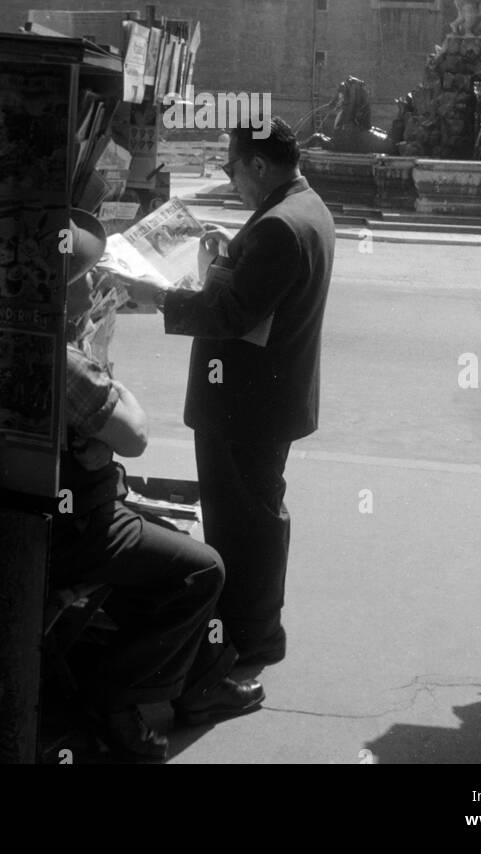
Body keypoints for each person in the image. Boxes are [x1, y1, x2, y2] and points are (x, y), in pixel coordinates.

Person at [48, 209, 263, 763]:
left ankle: (202, 684)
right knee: (202, 569)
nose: (97, 285)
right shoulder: (64, 361)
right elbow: (134, 435)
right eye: (86, 278)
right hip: (78, 526)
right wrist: (105, 374)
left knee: (172, 537)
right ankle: (114, 697)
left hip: (71, 508)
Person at [123, 119, 336, 665]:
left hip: (245, 404)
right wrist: (225, 259)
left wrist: (160, 297)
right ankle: (254, 630)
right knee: (256, 514)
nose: (230, 178)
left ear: (259, 166)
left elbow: (233, 314)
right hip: (266, 399)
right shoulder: (305, 207)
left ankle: (248, 636)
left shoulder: (279, 228)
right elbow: (260, 297)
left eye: (231, 168)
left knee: (242, 524)